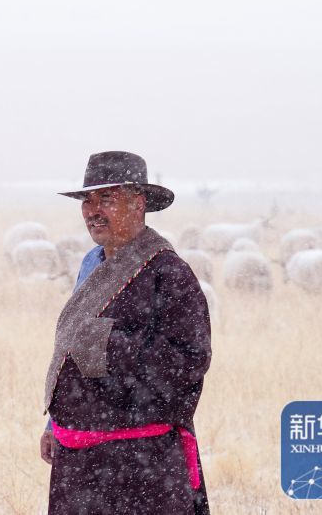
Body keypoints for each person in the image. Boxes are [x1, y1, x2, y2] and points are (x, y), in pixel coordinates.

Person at [40, 151, 212, 514]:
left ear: (138, 204)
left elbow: (188, 362)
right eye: (87, 200)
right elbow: (73, 348)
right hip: (80, 463)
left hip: (139, 466)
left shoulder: (169, 273)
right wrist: (56, 425)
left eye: (106, 198)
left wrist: (107, 345)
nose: (92, 210)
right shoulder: (92, 263)